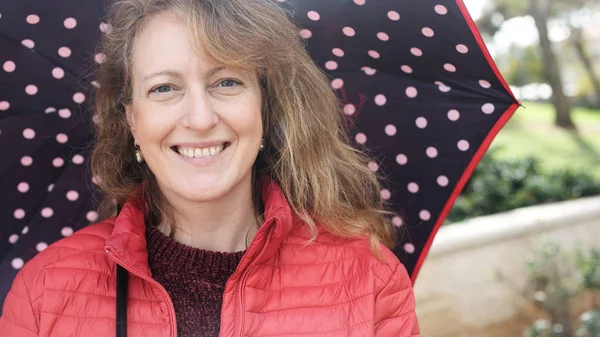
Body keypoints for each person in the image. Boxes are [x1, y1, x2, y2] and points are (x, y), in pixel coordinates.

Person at [0, 0, 420, 336]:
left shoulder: (369, 280)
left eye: (227, 82)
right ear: (132, 120)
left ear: (264, 105)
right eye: (164, 88)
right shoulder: (43, 292)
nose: (199, 119)